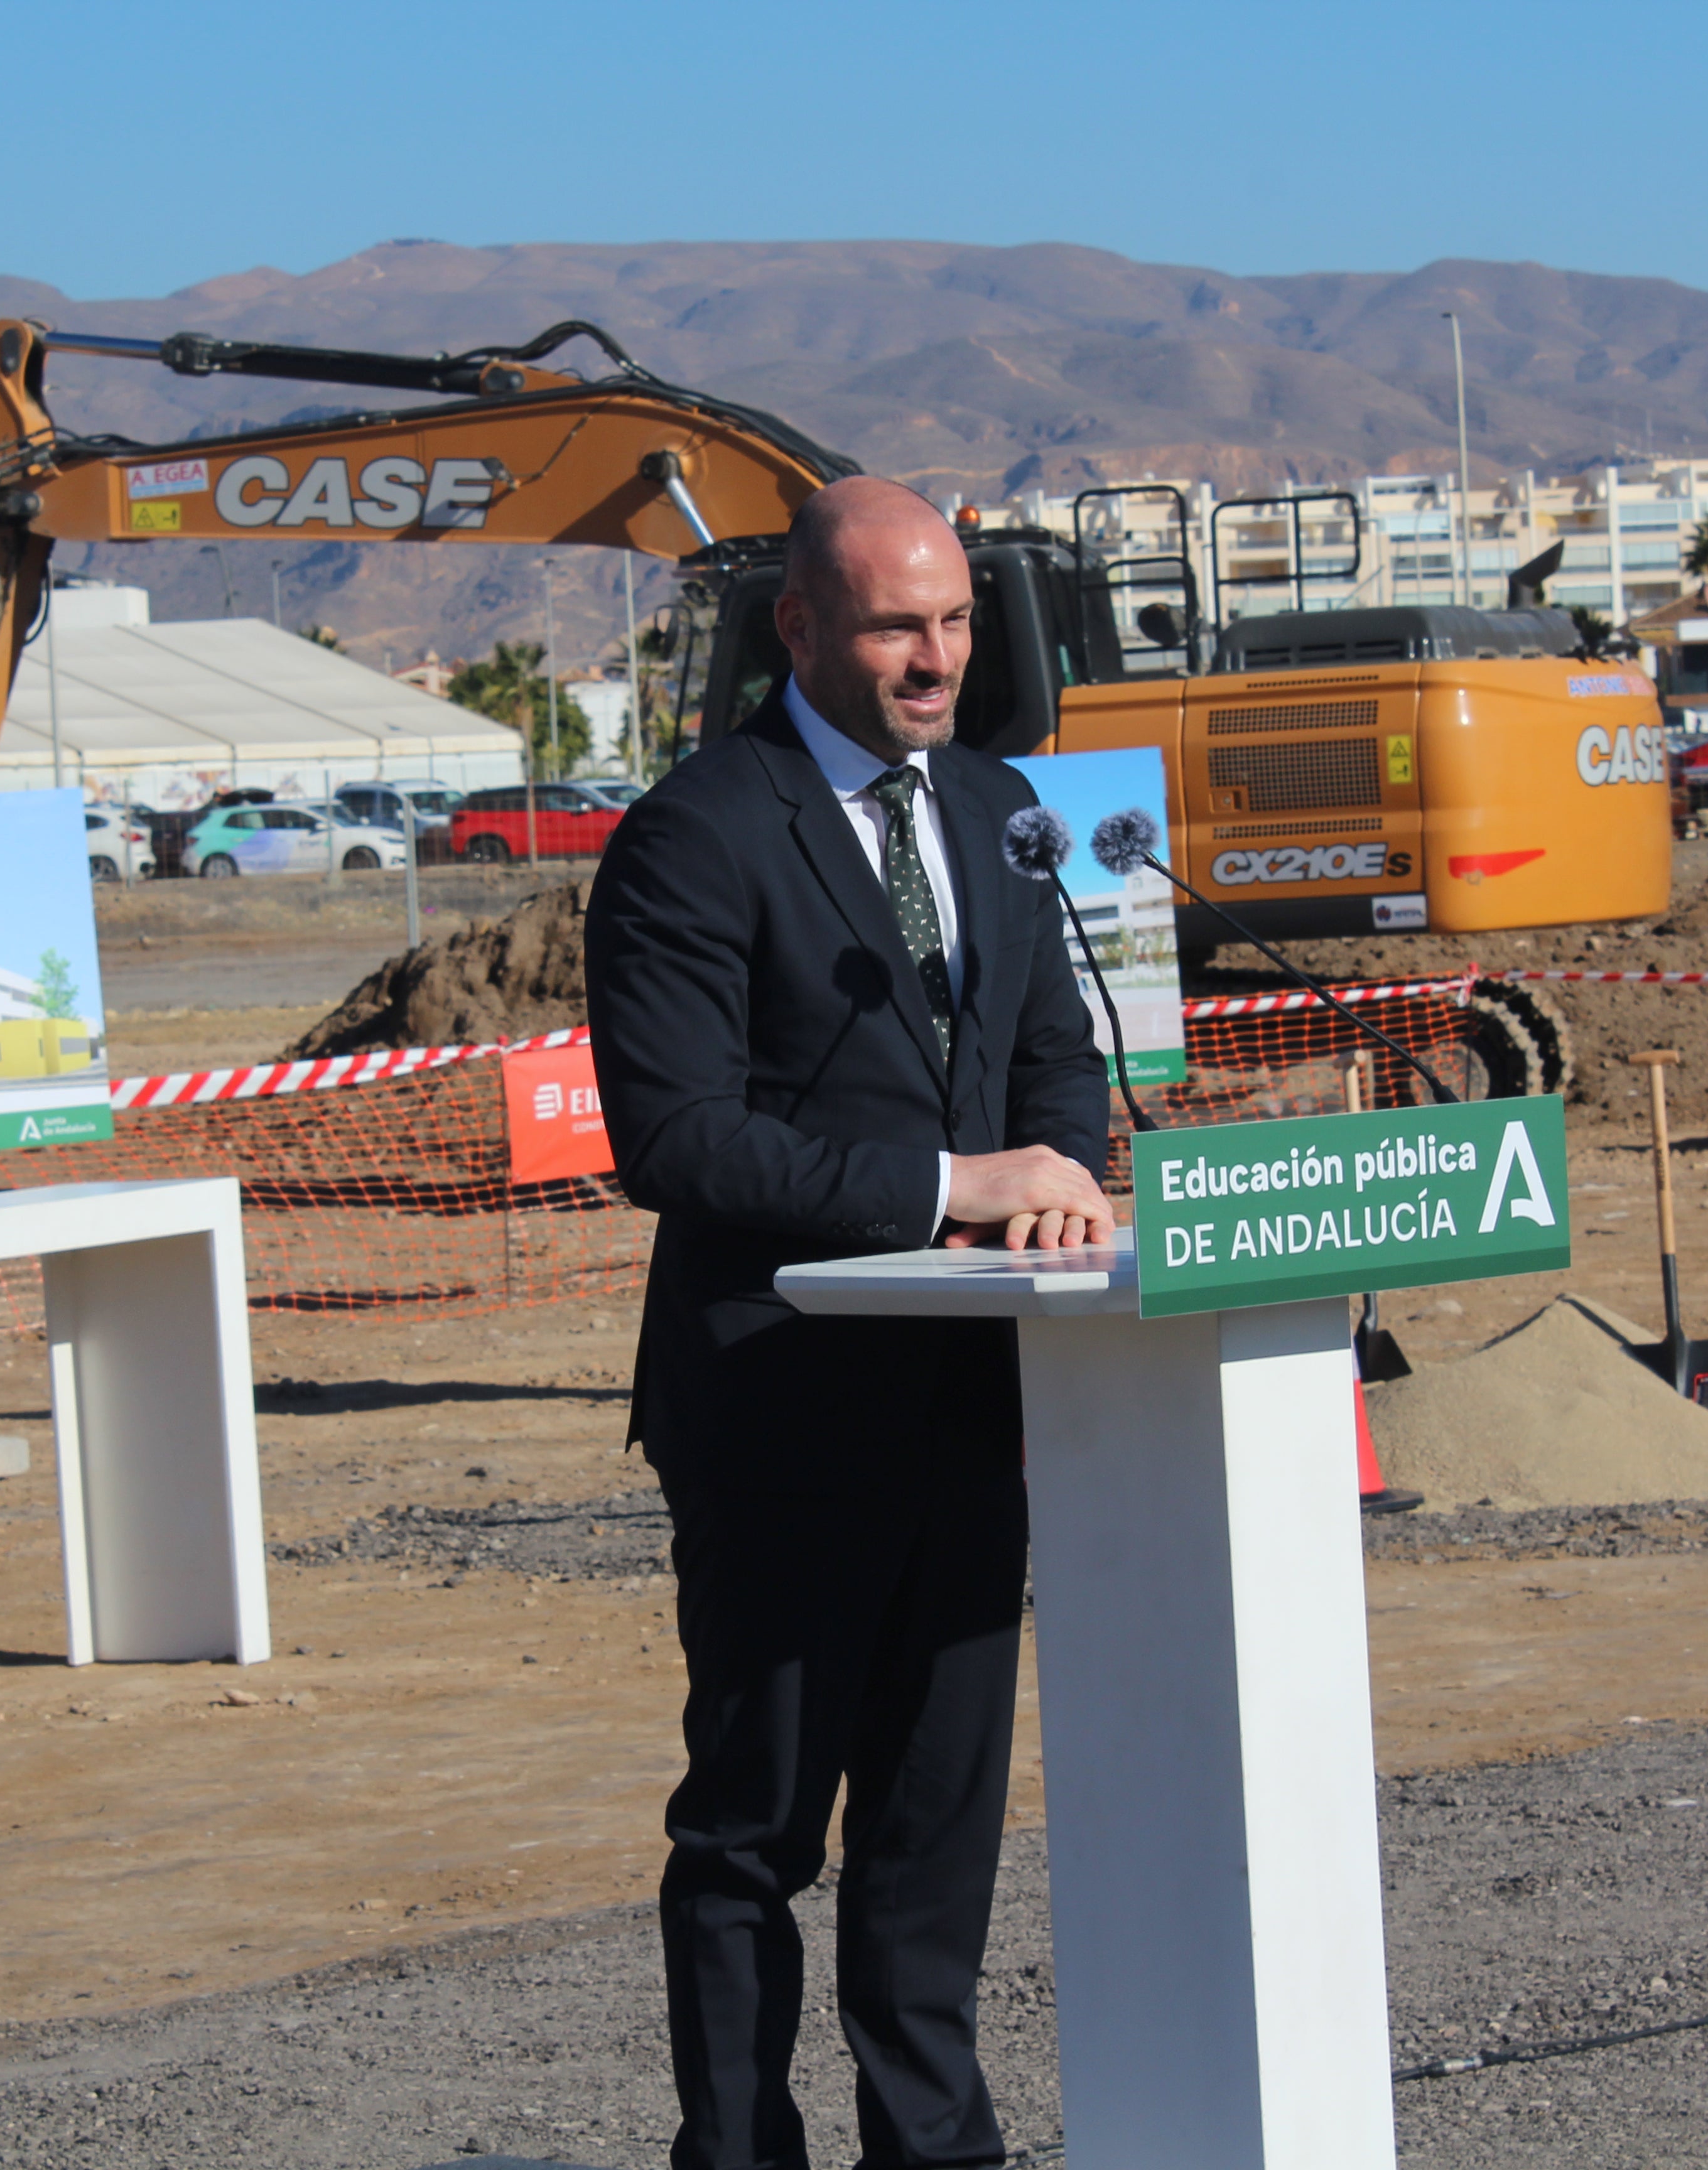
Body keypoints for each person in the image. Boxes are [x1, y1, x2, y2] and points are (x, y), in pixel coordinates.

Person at [584, 477, 1117, 2170]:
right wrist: (955, 1185)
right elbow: (675, 1136)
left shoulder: (997, 812)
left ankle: (936, 2145)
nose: (935, 659)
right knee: (755, 1829)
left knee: (938, 1823)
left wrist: (1062, 1179)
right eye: (897, 625)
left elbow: (1051, 1060)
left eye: (956, 623)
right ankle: (737, 2150)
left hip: (972, 1406)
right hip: (783, 1414)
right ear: (799, 628)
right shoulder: (697, 833)